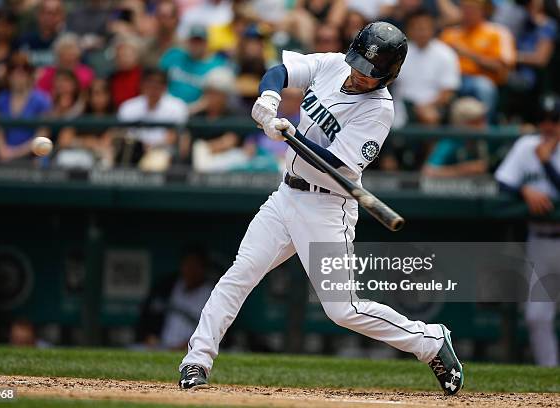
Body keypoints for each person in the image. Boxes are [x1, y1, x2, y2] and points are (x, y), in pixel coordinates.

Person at [178, 22, 464, 396]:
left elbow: (335, 165)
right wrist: (268, 99)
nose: (361, 74)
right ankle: (196, 361)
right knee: (240, 273)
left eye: (371, 71)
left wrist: (289, 137)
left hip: (328, 208)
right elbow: (280, 71)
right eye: (359, 64)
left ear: (390, 73)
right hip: (285, 197)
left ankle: (429, 340)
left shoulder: (379, 110)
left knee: (343, 309)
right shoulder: (333, 64)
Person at [495, 95, 560, 367]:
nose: (547, 126)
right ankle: (550, 372)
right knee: (536, 316)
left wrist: (546, 163)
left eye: (554, 120)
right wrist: (524, 189)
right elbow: (503, 182)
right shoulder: (526, 145)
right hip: (540, 240)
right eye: (543, 120)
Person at [440, 0, 516, 122]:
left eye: (472, 9)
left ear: (483, 11)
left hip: (478, 79)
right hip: (450, 79)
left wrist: (468, 54)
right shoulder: (450, 33)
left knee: (483, 86)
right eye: (465, 8)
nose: (468, 13)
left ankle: (484, 132)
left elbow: (503, 68)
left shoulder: (496, 32)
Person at [393, 9, 460, 127]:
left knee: (430, 116)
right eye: (417, 28)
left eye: (425, 28)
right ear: (409, 30)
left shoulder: (446, 53)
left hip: (433, 106)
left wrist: (427, 106)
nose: (422, 32)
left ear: (433, 29)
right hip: (401, 105)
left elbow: (448, 92)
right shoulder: (398, 52)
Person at [137, 247, 214, 350]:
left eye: (195, 266)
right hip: (161, 346)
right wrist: (149, 336)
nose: (190, 270)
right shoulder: (168, 286)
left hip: (195, 349)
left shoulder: (213, 293)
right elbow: (147, 316)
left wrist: (187, 346)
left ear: (203, 268)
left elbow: (215, 331)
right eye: (187, 265)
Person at [117, 68, 188, 171]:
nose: (153, 88)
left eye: (158, 84)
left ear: (165, 86)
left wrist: (152, 147)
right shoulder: (128, 107)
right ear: (142, 84)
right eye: (149, 83)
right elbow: (121, 134)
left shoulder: (177, 107)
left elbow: (174, 137)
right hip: (133, 153)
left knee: (155, 162)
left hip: (163, 152)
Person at [0, 52, 51, 162]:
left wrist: (15, 153)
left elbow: (43, 134)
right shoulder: (1, 99)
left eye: (24, 70)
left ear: (30, 74)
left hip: (33, 157)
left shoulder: (42, 99)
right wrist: (2, 150)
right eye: (13, 69)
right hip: (4, 157)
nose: (17, 74)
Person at [159, 25, 228, 105]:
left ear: (206, 43)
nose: (196, 45)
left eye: (199, 41)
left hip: (197, 114)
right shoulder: (174, 55)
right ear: (188, 41)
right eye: (193, 41)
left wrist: (189, 111)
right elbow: (157, 79)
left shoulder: (217, 66)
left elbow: (214, 98)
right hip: (166, 106)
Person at [56, 78, 115, 169]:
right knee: (63, 158)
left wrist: (80, 141)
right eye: (93, 94)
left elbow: (104, 144)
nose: (97, 98)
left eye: (101, 93)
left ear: (108, 95)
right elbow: (64, 141)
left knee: (106, 159)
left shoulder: (114, 118)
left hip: (98, 158)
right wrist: (85, 142)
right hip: (78, 155)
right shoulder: (81, 115)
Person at [422, 97, 489, 177]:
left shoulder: (485, 138)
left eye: (483, 120)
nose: (483, 126)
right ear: (463, 123)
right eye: (476, 122)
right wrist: (466, 169)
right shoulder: (450, 142)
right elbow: (428, 172)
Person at [16, 0, 65, 67]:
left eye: (55, 13)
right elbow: (17, 59)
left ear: (62, 16)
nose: (50, 17)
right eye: (47, 12)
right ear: (38, 14)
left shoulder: (67, 41)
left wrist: (30, 58)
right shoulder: (25, 39)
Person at [109, 34, 144, 109]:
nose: (123, 59)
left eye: (126, 55)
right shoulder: (111, 78)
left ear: (137, 56)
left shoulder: (144, 77)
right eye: (120, 55)